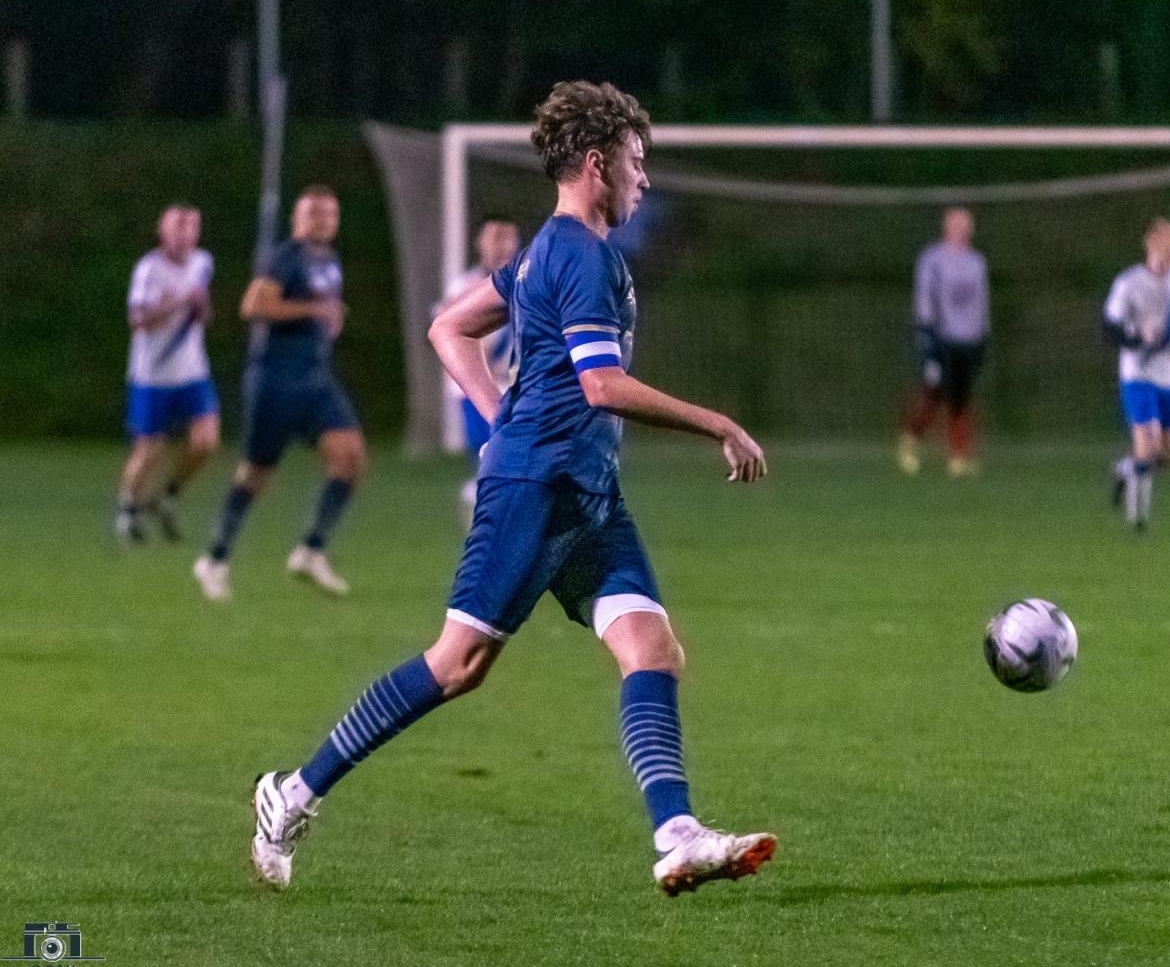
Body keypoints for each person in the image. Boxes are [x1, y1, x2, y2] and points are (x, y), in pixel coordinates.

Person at [248, 81, 777, 897]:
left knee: (652, 648)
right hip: (536, 485)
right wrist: (719, 422)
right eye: (638, 162)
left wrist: (498, 414)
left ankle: (676, 834)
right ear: (598, 163)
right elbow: (601, 385)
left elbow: (448, 326)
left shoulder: (543, 251)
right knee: (458, 664)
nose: (644, 179)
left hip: (586, 490)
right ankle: (293, 792)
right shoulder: (584, 254)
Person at [192, 186, 366, 601]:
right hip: (277, 381)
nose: (323, 221)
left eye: (329, 214)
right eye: (314, 214)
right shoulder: (288, 257)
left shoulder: (328, 259)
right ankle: (214, 559)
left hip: (316, 381)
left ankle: (311, 549)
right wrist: (314, 311)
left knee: (351, 458)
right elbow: (253, 306)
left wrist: (328, 317)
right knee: (256, 474)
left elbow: (320, 308)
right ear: (297, 219)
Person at [117, 205, 220, 544]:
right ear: (163, 232)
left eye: (191, 227)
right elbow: (138, 321)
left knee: (206, 442)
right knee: (149, 451)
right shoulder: (149, 269)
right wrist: (178, 302)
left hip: (192, 370)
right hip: (153, 374)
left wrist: (201, 306)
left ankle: (168, 497)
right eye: (177, 227)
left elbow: (204, 315)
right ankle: (128, 509)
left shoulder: (203, 262)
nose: (184, 234)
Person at [1103, 218, 1170, 530]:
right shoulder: (1129, 282)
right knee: (1148, 445)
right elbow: (1109, 328)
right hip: (1139, 373)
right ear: (1150, 244)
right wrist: (1138, 339)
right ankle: (1138, 519)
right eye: (1166, 243)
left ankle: (1124, 469)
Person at [436, 215, 521, 524]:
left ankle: (484, 504)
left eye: (506, 236)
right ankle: (484, 508)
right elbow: (444, 331)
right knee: (498, 451)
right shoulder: (465, 286)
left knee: (510, 455)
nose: (500, 244)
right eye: (493, 236)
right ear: (480, 243)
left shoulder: (524, 284)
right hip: (473, 386)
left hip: (512, 385)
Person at [897, 207, 990, 478]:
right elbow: (925, 297)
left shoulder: (976, 261)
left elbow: (981, 301)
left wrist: (983, 331)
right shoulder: (933, 259)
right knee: (933, 391)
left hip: (969, 339)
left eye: (965, 225)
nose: (961, 230)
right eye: (956, 225)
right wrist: (927, 330)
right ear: (946, 228)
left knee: (961, 396)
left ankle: (959, 455)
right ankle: (911, 439)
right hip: (941, 337)